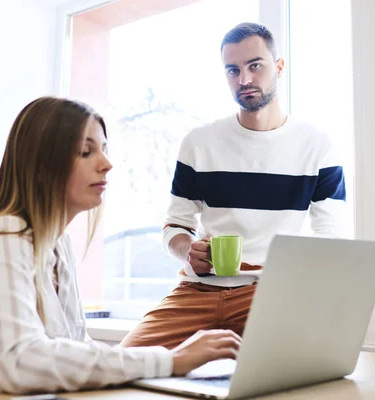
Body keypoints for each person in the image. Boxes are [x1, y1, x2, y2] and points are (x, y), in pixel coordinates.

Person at [0, 97, 241, 400]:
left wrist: (167, 365)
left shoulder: (58, 244)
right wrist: (171, 360)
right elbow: (20, 362)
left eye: (103, 148)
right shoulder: (0, 235)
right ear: (41, 166)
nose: (107, 164)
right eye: (86, 152)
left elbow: (74, 346)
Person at [120, 22, 348, 350]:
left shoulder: (318, 146)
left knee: (302, 368)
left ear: (279, 67)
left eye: (255, 66)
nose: (244, 80)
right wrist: (188, 252)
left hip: (269, 293)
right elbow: (175, 225)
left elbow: (332, 240)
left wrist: (292, 285)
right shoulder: (199, 143)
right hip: (196, 291)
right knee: (124, 363)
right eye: (233, 70)